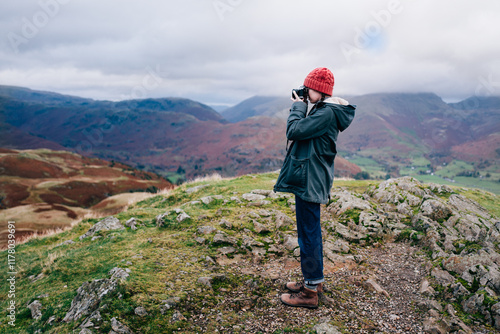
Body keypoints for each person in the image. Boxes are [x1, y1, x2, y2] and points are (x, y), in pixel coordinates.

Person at [273, 67, 356, 309]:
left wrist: (298, 106)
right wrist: (305, 104)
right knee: (309, 231)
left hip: (311, 179)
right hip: (310, 177)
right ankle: (314, 282)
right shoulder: (324, 109)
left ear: (319, 90)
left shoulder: (327, 113)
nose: (306, 92)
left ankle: (309, 293)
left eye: (309, 88)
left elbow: (294, 130)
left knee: (308, 234)